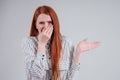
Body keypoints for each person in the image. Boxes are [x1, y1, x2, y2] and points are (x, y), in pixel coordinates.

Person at [22, 5, 100, 80]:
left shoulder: (66, 42)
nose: (46, 27)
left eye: (49, 22)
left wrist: (78, 53)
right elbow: (36, 76)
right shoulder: (29, 42)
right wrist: (42, 44)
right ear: (35, 25)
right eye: (41, 23)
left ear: (55, 24)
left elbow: (71, 78)